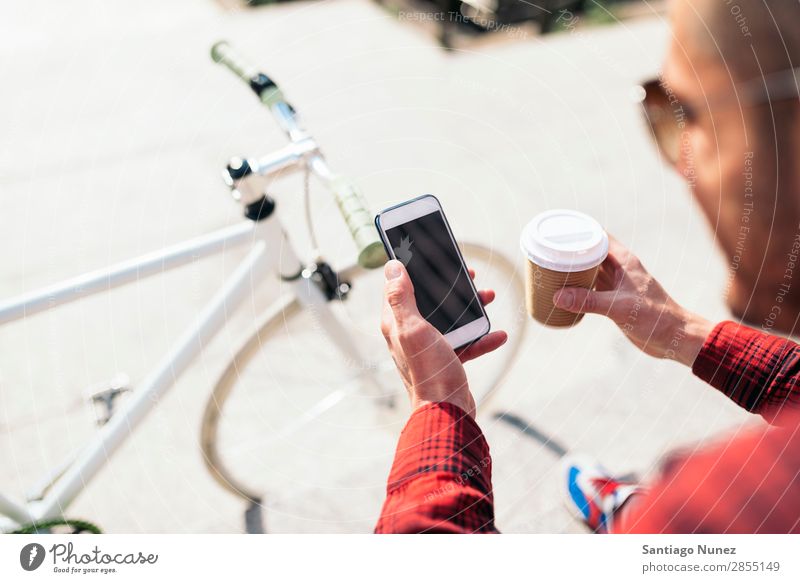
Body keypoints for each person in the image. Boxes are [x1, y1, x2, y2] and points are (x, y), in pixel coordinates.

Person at [374, 0, 800, 534]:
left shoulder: (716, 507)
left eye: (684, 114)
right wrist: (681, 330)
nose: (678, 163)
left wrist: (438, 404)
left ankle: (626, 519)